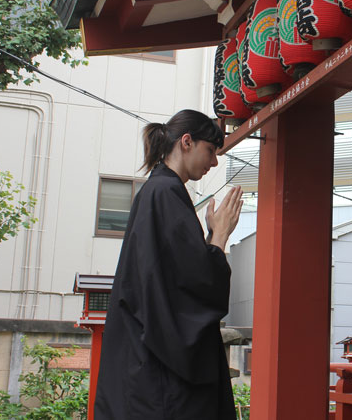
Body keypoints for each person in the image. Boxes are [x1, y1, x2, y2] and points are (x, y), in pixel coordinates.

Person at [94, 109, 242, 420]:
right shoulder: (165, 193)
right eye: (210, 150)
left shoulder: (159, 190)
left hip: (143, 359)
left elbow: (175, 273)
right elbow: (196, 285)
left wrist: (211, 238)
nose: (214, 163)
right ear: (187, 142)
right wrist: (220, 237)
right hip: (161, 373)